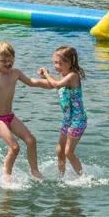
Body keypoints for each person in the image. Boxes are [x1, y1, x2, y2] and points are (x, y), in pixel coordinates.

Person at [0, 40, 42, 181]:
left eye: (10, 59)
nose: (8, 63)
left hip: (10, 116)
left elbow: (32, 82)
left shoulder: (16, 73)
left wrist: (53, 84)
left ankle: (35, 171)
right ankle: (6, 175)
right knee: (14, 147)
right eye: (3, 61)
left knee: (31, 141)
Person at [36, 46, 87, 177]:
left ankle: (84, 178)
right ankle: (61, 177)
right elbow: (55, 84)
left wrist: (47, 74)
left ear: (70, 62)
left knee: (68, 152)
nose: (56, 66)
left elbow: (57, 85)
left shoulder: (73, 76)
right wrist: (42, 78)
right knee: (60, 150)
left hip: (77, 120)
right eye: (55, 62)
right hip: (67, 120)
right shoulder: (63, 76)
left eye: (60, 63)